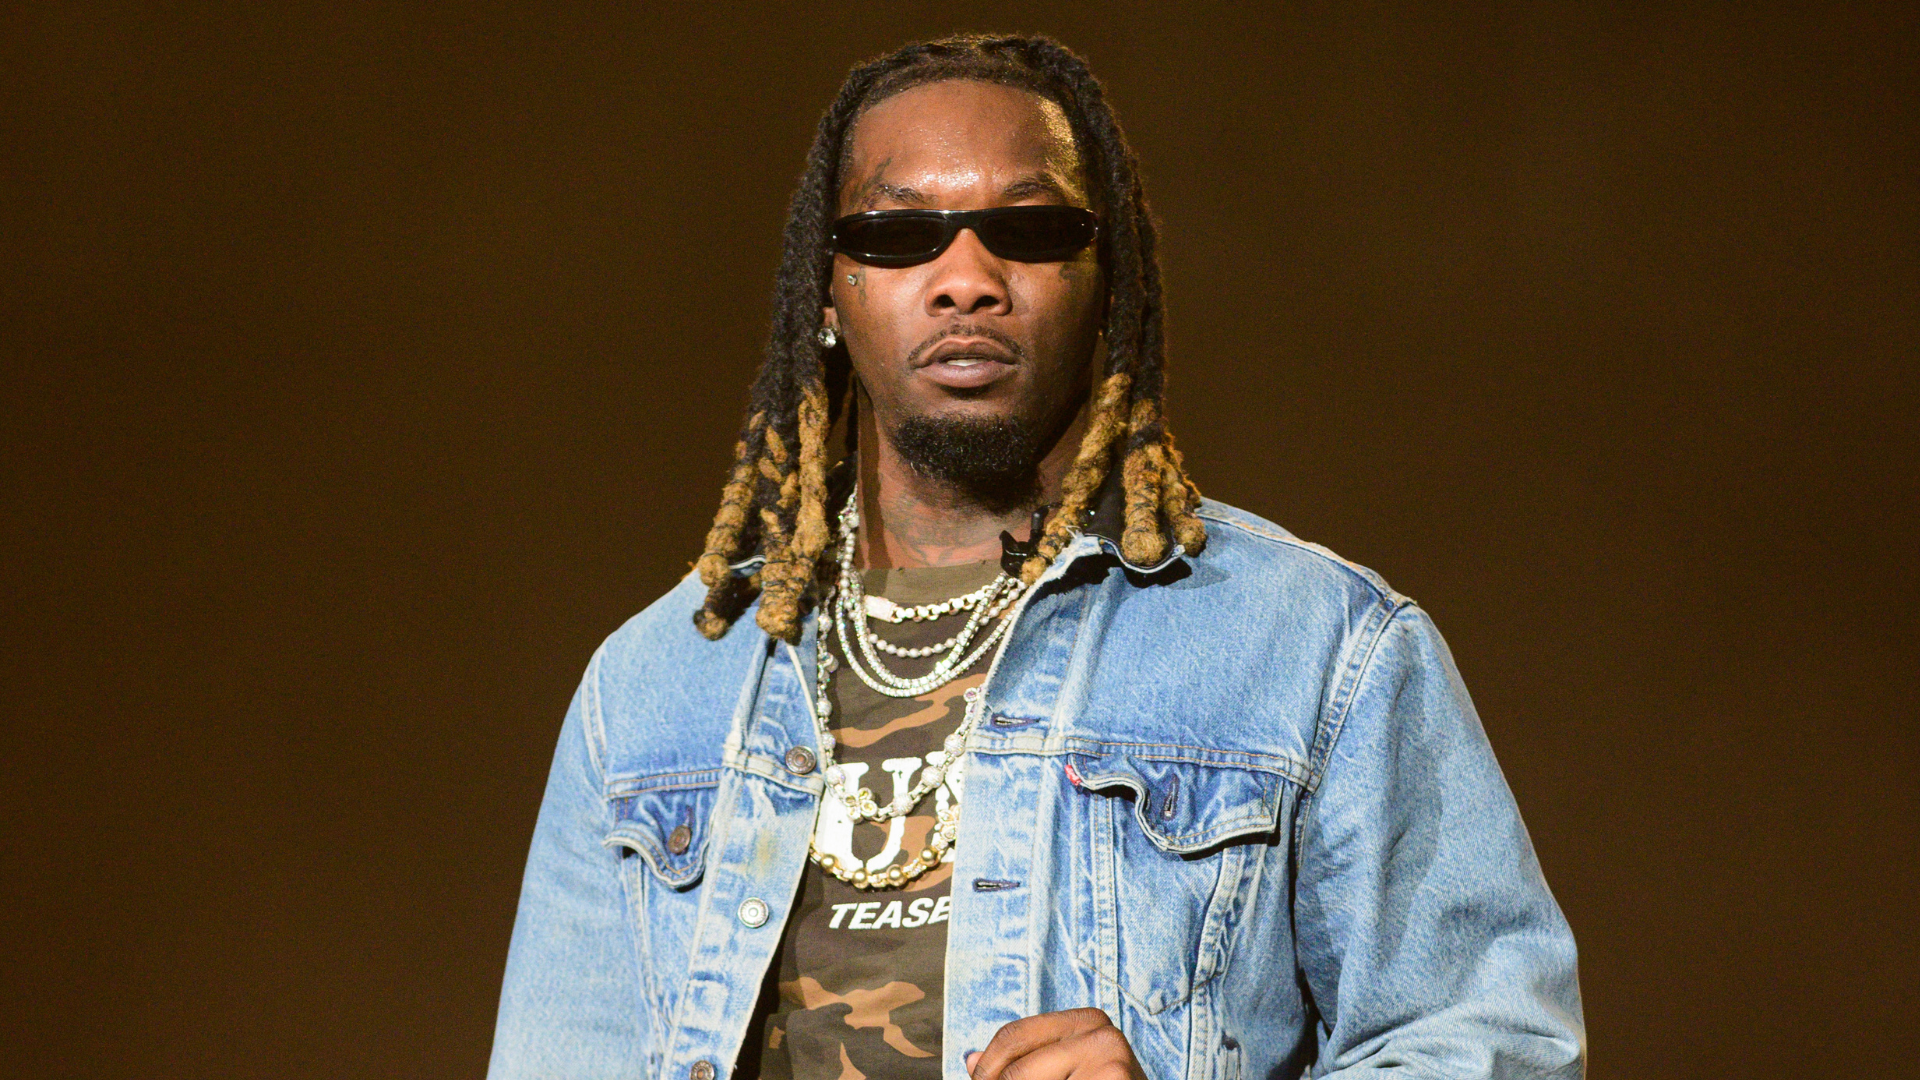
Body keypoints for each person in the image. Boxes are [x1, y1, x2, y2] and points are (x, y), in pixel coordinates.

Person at [489, 34, 1584, 1080]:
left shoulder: (1315, 649)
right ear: (827, 293)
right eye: (899, 234)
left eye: (1032, 231)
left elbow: (1500, 1047)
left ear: (1109, 280)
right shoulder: (653, 690)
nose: (966, 278)